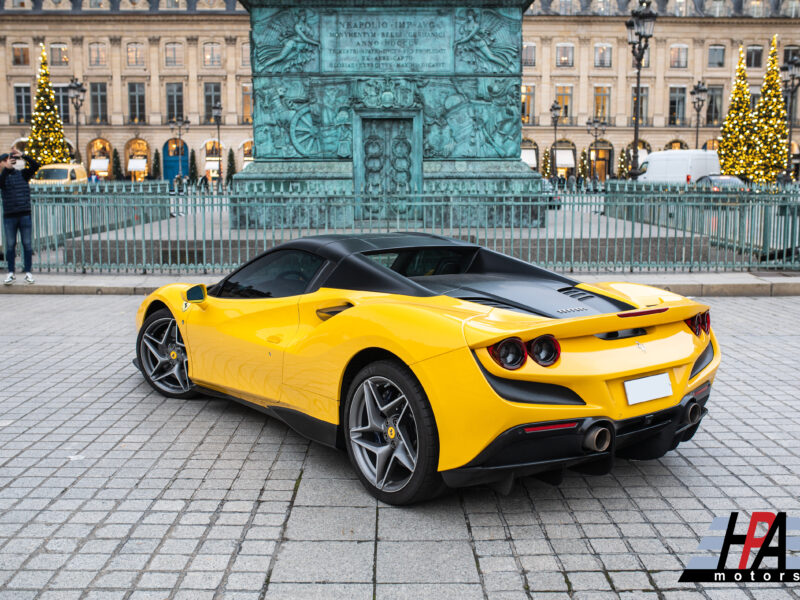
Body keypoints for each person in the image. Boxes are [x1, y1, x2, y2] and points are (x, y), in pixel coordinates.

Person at [0, 150, 40, 285]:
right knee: (10, 246)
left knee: (27, 245)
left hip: (24, 214)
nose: (8, 162)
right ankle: (11, 273)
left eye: (10, 159)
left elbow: (36, 165)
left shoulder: (23, 174)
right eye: (5, 160)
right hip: (10, 216)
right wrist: (6, 170)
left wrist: (23, 155)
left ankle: (28, 272)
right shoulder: (2, 176)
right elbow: (1, 184)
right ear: (1, 164)